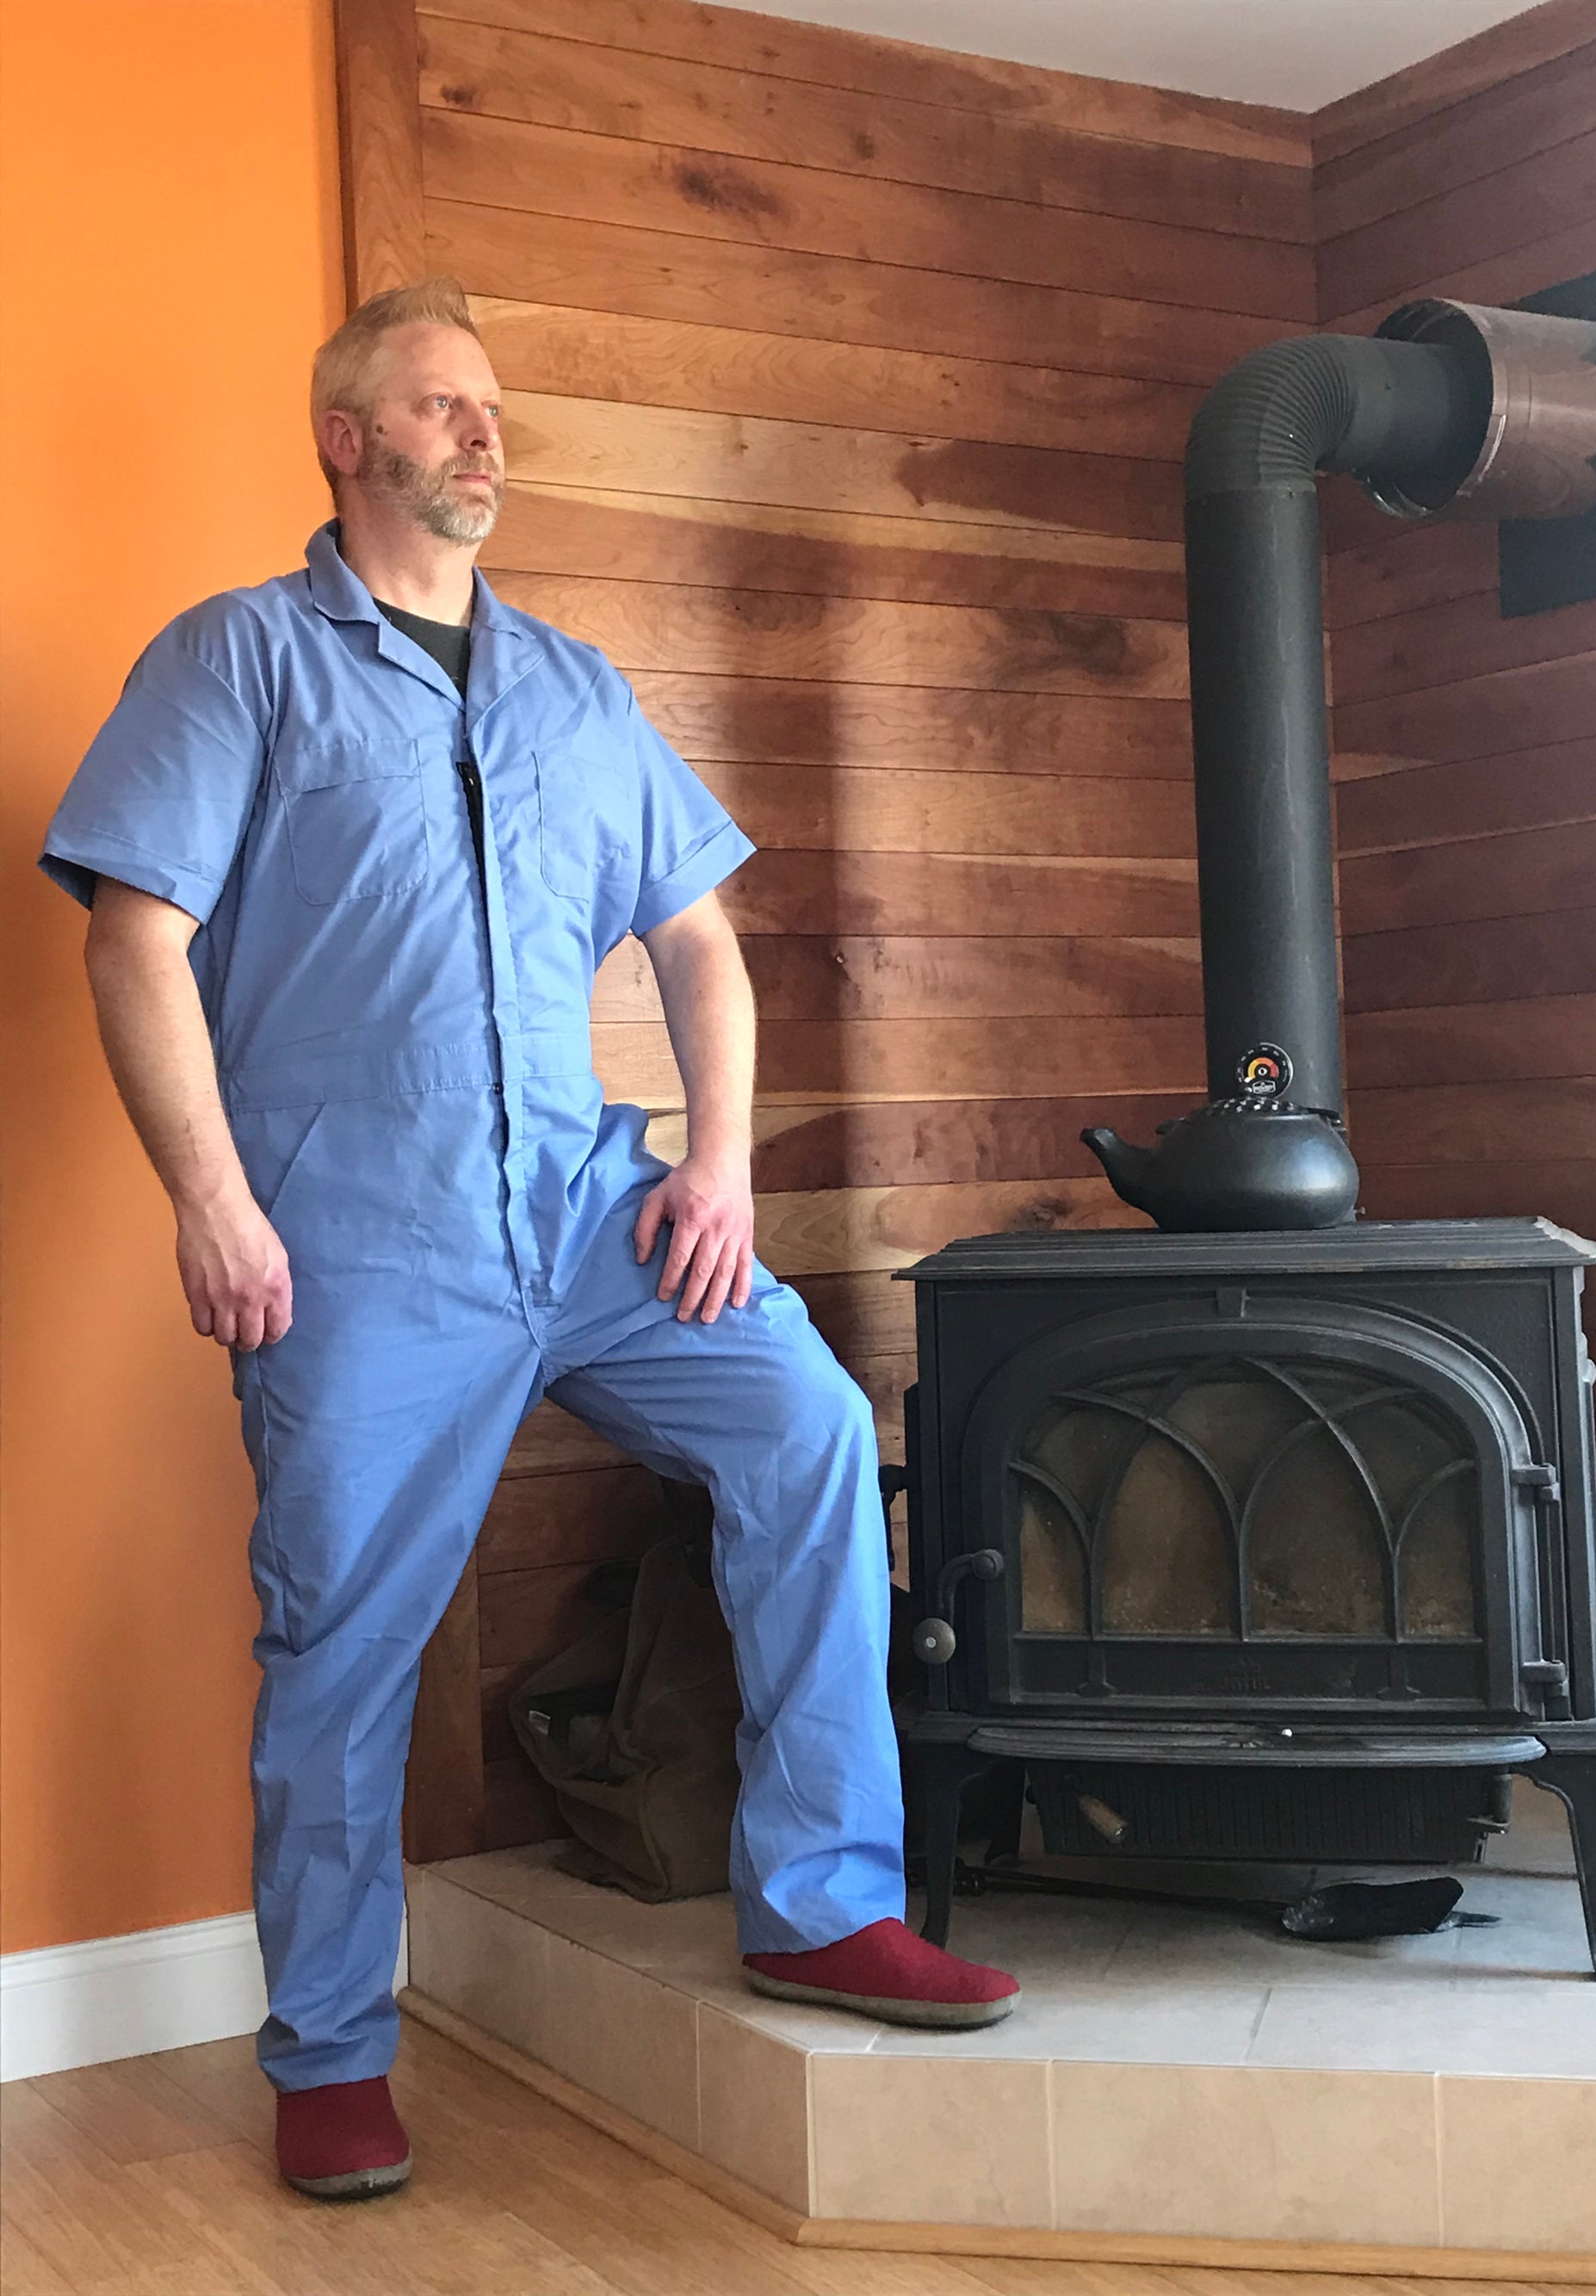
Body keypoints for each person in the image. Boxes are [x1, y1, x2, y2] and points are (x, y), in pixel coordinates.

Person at [40, 278, 1018, 2203]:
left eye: (492, 407)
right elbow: (131, 937)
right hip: (356, 1244)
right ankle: (328, 2053)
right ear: (345, 437)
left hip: (586, 1205)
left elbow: (699, 946)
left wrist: (721, 1167)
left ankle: (816, 1897)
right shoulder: (239, 661)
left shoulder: (577, 689)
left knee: (808, 1427)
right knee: (342, 1642)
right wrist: (216, 1203)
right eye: (439, 407)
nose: (484, 437)